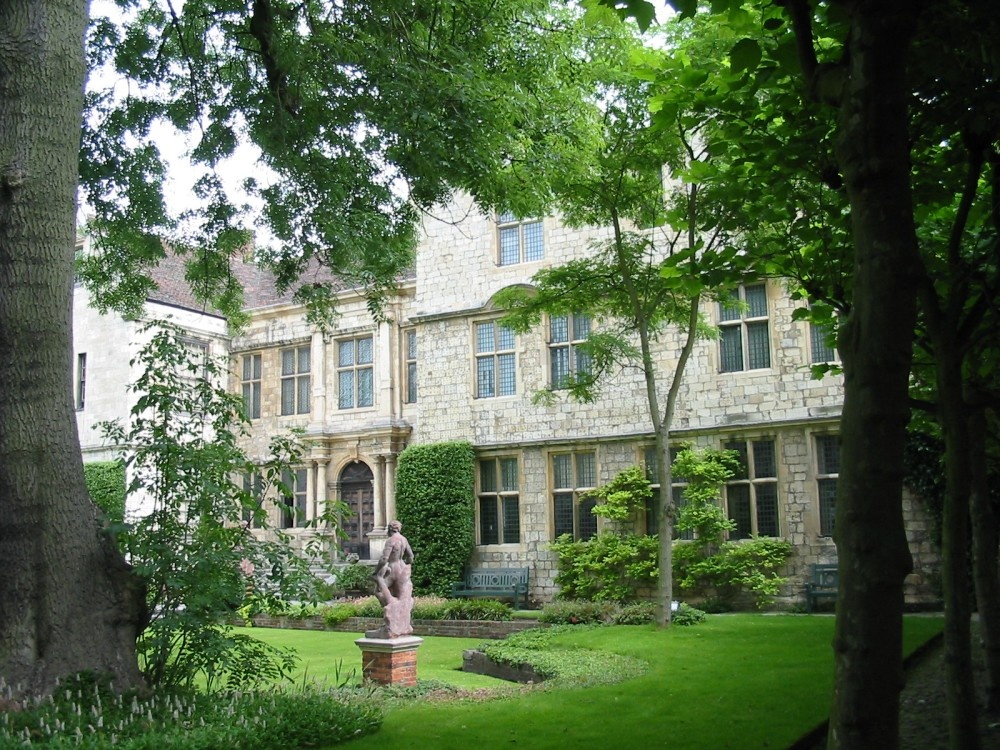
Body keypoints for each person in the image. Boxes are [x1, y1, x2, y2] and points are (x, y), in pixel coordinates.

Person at [367, 520, 415, 638]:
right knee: (402, 598)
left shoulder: (391, 540)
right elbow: (411, 556)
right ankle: (401, 625)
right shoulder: (404, 539)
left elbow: (384, 558)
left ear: (389, 529)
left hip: (393, 568)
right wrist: (408, 566)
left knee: (378, 591)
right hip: (402, 568)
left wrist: (376, 572)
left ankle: (390, 624)